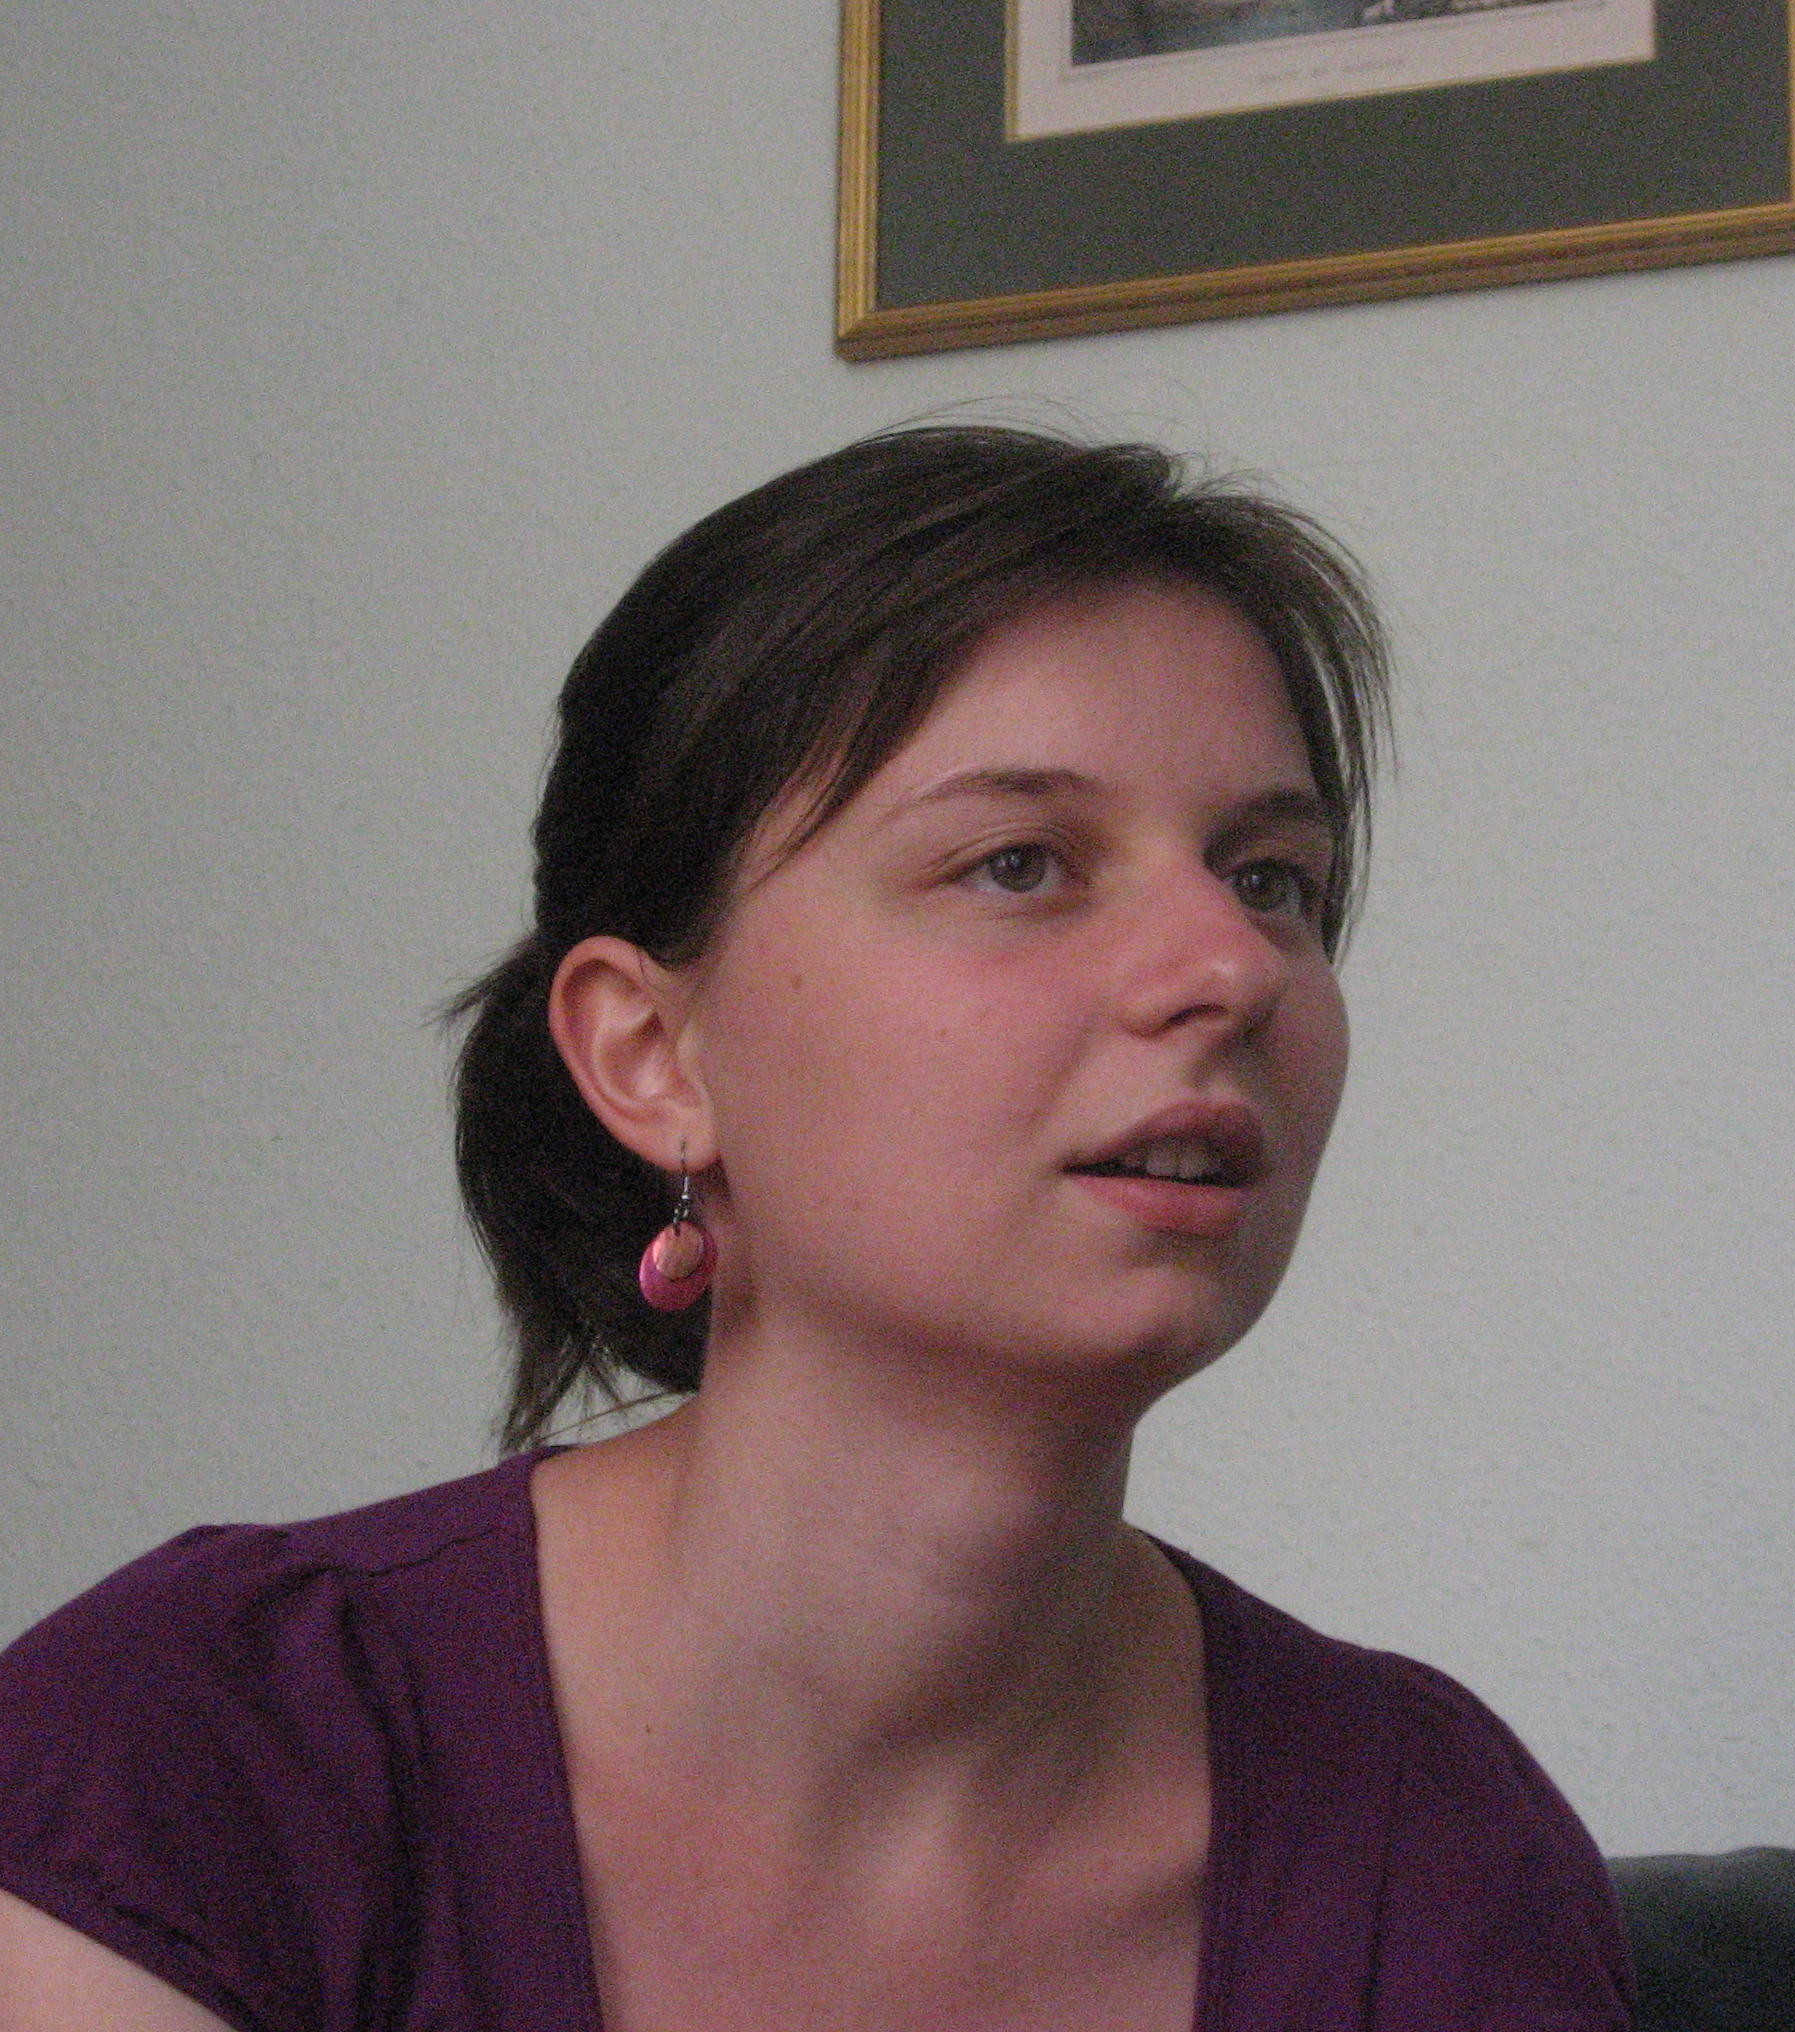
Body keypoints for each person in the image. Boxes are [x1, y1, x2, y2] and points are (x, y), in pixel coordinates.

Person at [0, 426, 1634, 2031]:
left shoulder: (1430, 1852)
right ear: (654, 1057)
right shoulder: (198, 1754)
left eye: (1272, 877)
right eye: (1020, 864)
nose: (1230, 966)